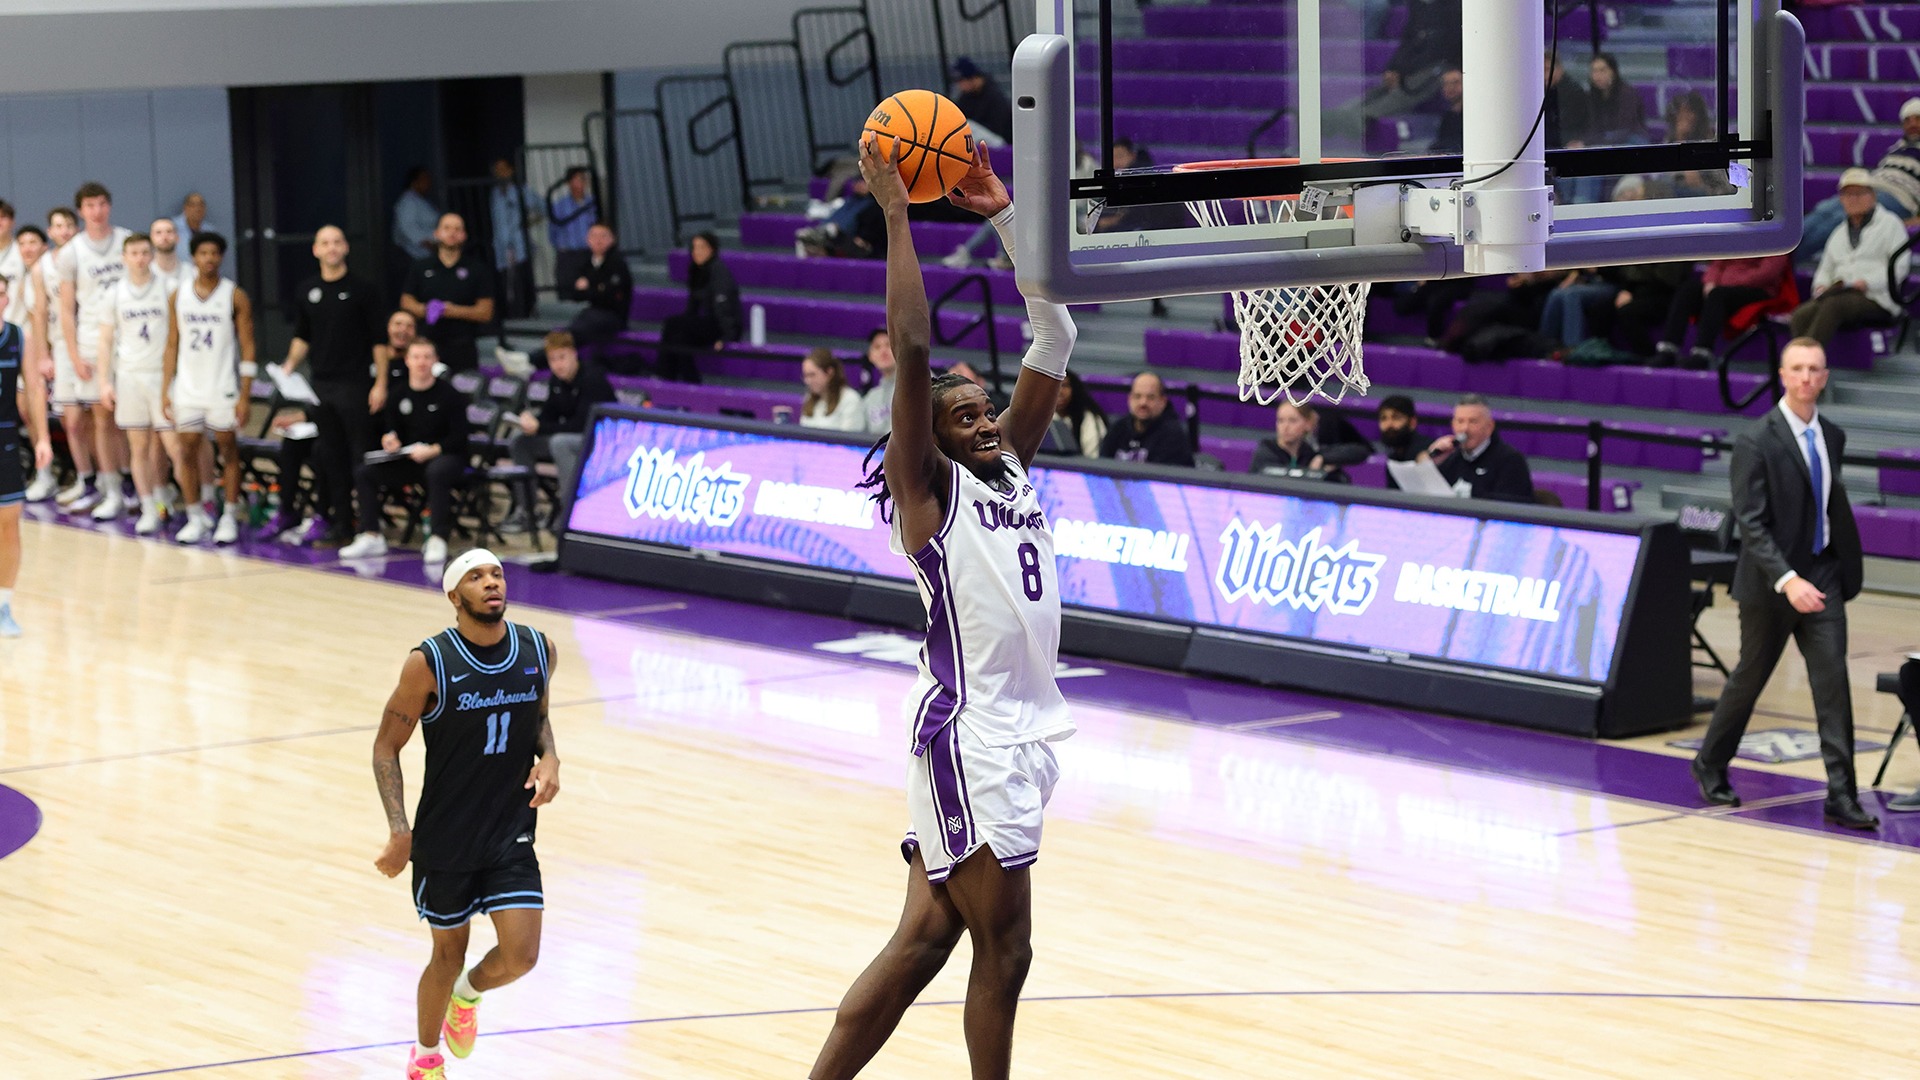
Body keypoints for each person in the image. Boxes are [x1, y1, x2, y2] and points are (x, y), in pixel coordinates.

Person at [809, 133, 1077, 1080]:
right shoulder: (934, 499)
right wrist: (896, 213)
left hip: (1018, 736)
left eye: (987, 410)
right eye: (965, 417)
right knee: (1006, 953)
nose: (989, 421)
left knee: (924, 945)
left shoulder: (1008, 467)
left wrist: (1001, 212)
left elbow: (1055, 339)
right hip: (976, 735)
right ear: (933, 444)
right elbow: (915, 347)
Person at [370, 549, 560, 1080]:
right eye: (476, 577)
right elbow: (387, 746)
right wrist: (399, 830)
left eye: (497, 573)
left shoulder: (537, 648)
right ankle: (425, 1059)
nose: (491, 582)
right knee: (446, 952)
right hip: (446, 836)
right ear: (455, 597)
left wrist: (550, 755)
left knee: (522, 956)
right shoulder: (428, 662)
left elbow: (538, 716)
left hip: (509, 831)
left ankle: (468, 995)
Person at [1690, 339, 1877, 830]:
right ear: (1782, 374)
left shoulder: (1831, 435)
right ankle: (1710, 762)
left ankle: (1842, 793)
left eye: (1815, 369)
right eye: (1797, 368)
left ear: (1825, 375)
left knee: (1832, 684)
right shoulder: (1756, 439)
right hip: (1772, 581)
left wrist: (1825, 569)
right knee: (1749, 678)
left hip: (1824, 574)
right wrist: (1787, 579)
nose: (1806, 377)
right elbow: (1750, 523)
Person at [282, 225, 391, 544]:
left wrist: (380, 383)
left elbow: (379, 341)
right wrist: (289, 365)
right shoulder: (308, 290)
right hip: (321, 385)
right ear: (315, 250)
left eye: (337, 242)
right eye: (325, 243)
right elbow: (303, 335)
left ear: (345, 248)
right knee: (329, 456)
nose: (331, 248)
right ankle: (340, 523)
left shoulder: (363, 290)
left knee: (358, 456)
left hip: (355, 384)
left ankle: (368, 527)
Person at [162, 232, 256, 545]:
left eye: (214, 253)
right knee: (185, 451)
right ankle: (195, 516)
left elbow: (249, 346)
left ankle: (228, 515)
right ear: (194, 257)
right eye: (203, 253)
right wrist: (166, 388)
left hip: (222, 387)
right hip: (188, 387)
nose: (209, 259)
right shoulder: (179, 294)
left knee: (228, 450)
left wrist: (245, 394)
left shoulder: (234, 295)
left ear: (221, 257)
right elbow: (172, 344)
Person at [342, 339, 471, 565]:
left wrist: (433, 450)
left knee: (437, 472)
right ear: (408, 361)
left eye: (427, 357)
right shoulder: (398, 393)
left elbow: (460, 437)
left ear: (435, 361)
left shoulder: (450, 395)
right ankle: (371, 534)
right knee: (365, 472)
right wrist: (390, 439)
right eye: (417, 357)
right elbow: (391, 428)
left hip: (445, 458)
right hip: (410, 459)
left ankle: (438, 538)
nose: (422, 362)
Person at [57, 182, 134, 523]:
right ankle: (112, 488)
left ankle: (138, 484)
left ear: (110, 207)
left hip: (130, 340)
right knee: (102, 418)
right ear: (81, 211)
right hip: (91, 342)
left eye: (103, 203)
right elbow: (65, 309)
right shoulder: (71, 252)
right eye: (90, 205)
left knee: (132, 420)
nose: (97, 210)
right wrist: (74, 355)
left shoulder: (127, 242)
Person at [96, 234, 176, 536]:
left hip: (161, 376)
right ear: (124, 257)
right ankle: (148, 507)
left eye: (145, 252)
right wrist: (105, 381)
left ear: (152, 255)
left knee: (174, 447)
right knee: (138, 447)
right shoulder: (114, 293)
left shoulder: (168, 288)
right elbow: (105, 342)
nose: (140, 258)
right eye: (134, 253)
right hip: (129, 376)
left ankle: (182, 501)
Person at [501, 331, 614, 533]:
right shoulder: (557, 381)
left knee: (560, 443)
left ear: (574, 354)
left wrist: (541, 427)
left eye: (562, 357)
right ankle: (527, 511)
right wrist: (531, 422)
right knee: (520, 442)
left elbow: (582, 424)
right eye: (552, 359)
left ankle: (571, 511)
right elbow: (550, 415)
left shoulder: (592, 379)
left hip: (602, 441)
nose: (557, 365)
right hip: (576, 437)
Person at [1790, 169, 1912, 344]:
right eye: (1848, 194)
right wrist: (1821, 286)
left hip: (1877, 298)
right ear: (1841, 199)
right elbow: (1825, 268)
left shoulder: (1891, 225)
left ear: (1872, 196)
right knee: (1801, 314)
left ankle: (1810, 360)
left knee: (1833, 306)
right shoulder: (1838, 232)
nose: (1853, 199)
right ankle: (1800, 361)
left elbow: (1900, 267)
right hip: (1839, 293)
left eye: (1859, 194)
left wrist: (1867, 282)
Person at [1325, 0, 1462, 152]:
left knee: (1410, 87)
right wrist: (1395, 67)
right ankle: (1342, 113)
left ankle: (1362, 117)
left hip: (1441, 66)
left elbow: (1451, 43)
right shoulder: (1419, 6)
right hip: (1414, 64)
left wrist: (1458, 68)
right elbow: (1409, 38)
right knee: (1382, 89)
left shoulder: (1455, 7)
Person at [1796, 98, 1920, 263]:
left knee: (1838, 219)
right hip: (1869, 188)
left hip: (1898, 198)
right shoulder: (1895, 149)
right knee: (1823, 211)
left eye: (1918, 119)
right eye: (1907, 120)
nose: (1912, 124)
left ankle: (1778, 264)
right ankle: (1774, 258)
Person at [0, 274, 54, 636]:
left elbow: (34, 389)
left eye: (1, 292)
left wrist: (42, 439)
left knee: (9, 524)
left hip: (5, 443)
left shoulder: (19, 337)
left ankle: (3, 605)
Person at [1653, 254, 1793, 369]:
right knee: (1688, 290)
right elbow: (1717, 263)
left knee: (1718, 295)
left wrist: (1728, 282)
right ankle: (1668, 349)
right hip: (1723, 287)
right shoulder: (1736, 233)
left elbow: (1768, 273)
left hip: (1758, 289)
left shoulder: (1774, 237)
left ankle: (1702, 353)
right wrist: (1711, 281)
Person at [32, 209, 84, 507]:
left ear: (76, 229)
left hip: (89, 343)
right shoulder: (42, 267)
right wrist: (43, 354)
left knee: (102, 421)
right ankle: (85, 477)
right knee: (71, 421)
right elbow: (39, 312)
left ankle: (114, 480)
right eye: (57, 226)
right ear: (49, 232)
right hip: (61, 346)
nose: (63, 231)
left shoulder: (84, 258)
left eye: (68, 225)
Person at [401, 213, 496, 374]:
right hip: (427, 345)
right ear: (436, 233)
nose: (452, 232)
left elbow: (485, 312)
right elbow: (406, 302)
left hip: (462, 346)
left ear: (464, 235)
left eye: (457, 229)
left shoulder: (477, 269)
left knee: (464, 392)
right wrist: (427, 309)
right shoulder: (420, 267)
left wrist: (449, 310)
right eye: (446, 228)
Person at [657, 232, 739, 383]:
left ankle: (665, 376)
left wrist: (727, 337)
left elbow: (725, 307)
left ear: (712, 249)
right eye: (694, 248)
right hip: (703, 322)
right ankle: (680, 382)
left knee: (672, 324)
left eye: (702, 247)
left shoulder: (718, 271)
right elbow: (692, 306)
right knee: (678, 338)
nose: (697, 252)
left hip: (718, 325)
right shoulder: (696, 271)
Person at [16, 225, 60, 504]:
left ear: (45, 245)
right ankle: (44, 473)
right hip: (26, 354)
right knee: (28, 412)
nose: (28, 248)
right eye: (23, 243)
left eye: (34, 242)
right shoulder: (23, 276)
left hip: (49, 355)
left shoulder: (51, 272)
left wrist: (47, 354)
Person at [1427, 394, 1534, 503]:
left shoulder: (1511, 461)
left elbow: (1509, 508)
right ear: (1453, 425)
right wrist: (1433, 464)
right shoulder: (1449, 459)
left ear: (1489, 426)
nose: (1465, 429)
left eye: (1473, 421)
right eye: (1460, 421)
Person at [1098, 371, 1194, 466]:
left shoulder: (1174, 436)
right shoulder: (1118, 428)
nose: (1143, 403)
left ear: (1163, 402)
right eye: (1137, 396)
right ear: (1129, 399)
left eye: (1150, 397)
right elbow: (1102, 467)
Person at [562, 222, 630, 355]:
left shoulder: (617, 263)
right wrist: (596, 288)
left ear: (613, 239)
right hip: (592, 313)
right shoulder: (587, 262)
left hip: (613, 317)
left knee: (577, 332)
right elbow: (575, 294)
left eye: (603, 236)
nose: (598, 240)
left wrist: (589, 287)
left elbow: (609, 297)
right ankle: (530, 360)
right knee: (573, 330)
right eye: (594, 236)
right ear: (587, 239)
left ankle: (530, 360)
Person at [487, 158, 539, 320]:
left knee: (520, 285)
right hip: (501, 247)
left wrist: (526, 223)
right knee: (505, 285)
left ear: (511, 171)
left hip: (518, 247)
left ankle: (523, 319)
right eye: (497, 170)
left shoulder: (521, 191)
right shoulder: (494, 193)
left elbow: (542, 208)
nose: (500, 173)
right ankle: (509, 320)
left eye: (503, 169)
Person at [1249, 401, 1341, 477]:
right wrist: (1311, 473)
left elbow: (1352, 451)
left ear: (1308, 424)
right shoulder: (1266, 450)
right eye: (1281, 420)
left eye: (1293, 421)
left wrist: (1322, 461)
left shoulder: (1308, 452)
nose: (1285, 427)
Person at [1585, 53, 1647, 148]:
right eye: (1594, 71)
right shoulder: (1591, 96)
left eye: (1602, 70)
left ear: (1613, 71)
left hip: (1631, 140)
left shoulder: (1628, 94)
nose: (1597, 76)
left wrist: (1597, 140)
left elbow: (1625, 128)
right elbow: (1592, 127)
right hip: (1604, 142)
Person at [950, 56, 1014, 145]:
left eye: (961, 80)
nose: (960, 85)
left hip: (1000, 141)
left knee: (968, 126)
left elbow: (999, 127)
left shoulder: (993, 95)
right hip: (983, 139)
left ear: (972, 78)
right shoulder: (966, 96)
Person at [799, 348, 865, 431]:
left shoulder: (850, 399)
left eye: (812, 375)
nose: (807, 381)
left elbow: (849, 440)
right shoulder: (808, 399)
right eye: (805, 376)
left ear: (829, 373)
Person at [1045, 369, 1106, 457]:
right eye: (1054, 386)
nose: (1059, 392)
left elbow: (1092, 458)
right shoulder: (1039, 417)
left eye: (1064, 386)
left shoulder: (1089, 419)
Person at [392, 168, 440, 262]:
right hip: (411, 254)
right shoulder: (408, 201)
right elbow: (409, 228)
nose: (429, 181)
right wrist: (430, 245)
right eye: (424, 178)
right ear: (414, 182)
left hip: (424, 254)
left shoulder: (420, 200)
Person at [547, 167, 598, 254]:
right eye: (576, 179)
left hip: (590, 251)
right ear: (569, 182)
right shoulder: (560, 206)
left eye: (582, 179)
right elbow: (552, 231)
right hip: (568, 252)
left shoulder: (593, 203)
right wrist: (560, 246)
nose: (580, 182)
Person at [1377, 395, 1432, 465]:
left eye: (1396, 418)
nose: (1389, 424)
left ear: (1412, 422)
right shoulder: (1394, 456)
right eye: (1383, 418)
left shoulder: (1427, 451)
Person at [861, 329, 897, 434]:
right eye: (877, 347)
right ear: (870, 356)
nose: (883, 351)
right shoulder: (870, 399)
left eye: (888, 345)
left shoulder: (920, 382)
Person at [147, 217, 195, 289]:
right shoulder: (145, 272)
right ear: (151, 239)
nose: (164, 237)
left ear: (177, 237)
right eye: (158, 233)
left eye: (169, 232)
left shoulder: (191, 272)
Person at [1428, 69, 1464, 154]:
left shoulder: (1473, 115)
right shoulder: (1447, 117)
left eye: (1455, 82)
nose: (1450, 87)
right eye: (1446, 84)